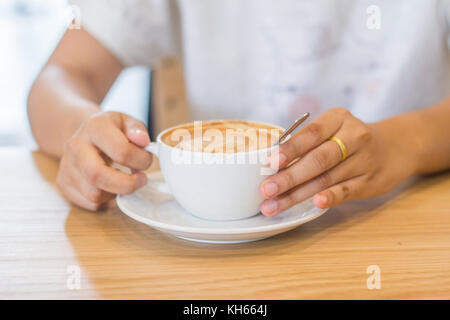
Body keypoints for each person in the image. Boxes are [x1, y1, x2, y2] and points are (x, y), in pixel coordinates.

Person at [28, 0, 450, 215]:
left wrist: (402, 143)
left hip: (403, 220)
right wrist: (83, 132)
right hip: (210, 256)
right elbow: (59, 76)